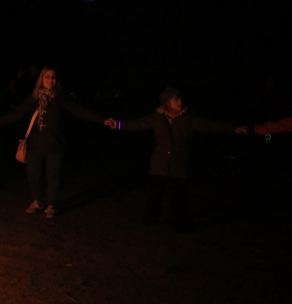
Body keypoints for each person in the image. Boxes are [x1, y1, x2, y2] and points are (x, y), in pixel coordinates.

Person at [104, 87, 247, 231]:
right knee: (155, 193)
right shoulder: (157, 117)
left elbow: (210, 125)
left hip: (179, 163)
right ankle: (153, 216)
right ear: (167, 102)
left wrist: (232, 128)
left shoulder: (189, 118)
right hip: (159, 163)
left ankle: (180, 223)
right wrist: (118, 125)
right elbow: (137, 124)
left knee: (178, 195)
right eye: (176, 99)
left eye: (180, 98)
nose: (180, 101)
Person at [0, 66, 106, 219]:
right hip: (35, 144)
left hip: (55, 144)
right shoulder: (33, 98)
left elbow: (80, 111)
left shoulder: (60, 97)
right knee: (33, 175)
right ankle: (37, 202)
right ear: (41, 79)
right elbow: (17, 114)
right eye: (47, 76)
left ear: (57, 80)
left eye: (53, 77)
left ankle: (51, 206)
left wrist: (102, 120)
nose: (50, 79)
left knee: (53, 176)